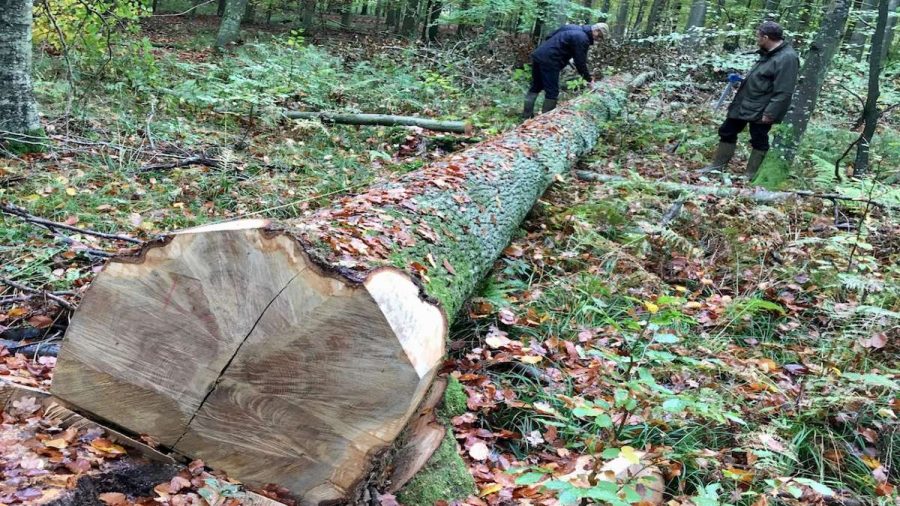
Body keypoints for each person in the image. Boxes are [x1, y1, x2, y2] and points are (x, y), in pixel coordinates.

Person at [703, 21, 799, 178]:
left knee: (759, 139)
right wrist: (742, 80)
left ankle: (751, 175)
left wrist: (770, 113)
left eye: (758, 36)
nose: (757, 39)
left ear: (766, 37)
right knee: (727, 131)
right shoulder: (768, 53)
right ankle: (716, 168)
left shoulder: (787, 58)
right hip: (746, 103)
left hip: (763, 108)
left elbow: (784, 90)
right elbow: (763, 79)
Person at [522, 22, 610, 119]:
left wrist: (564, 54)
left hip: (539, 55)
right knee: (552, 92)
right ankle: (545, 122)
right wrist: (588, 80)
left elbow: (549, 37)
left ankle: (526, 116)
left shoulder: (571, 27)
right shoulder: (582, 38)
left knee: (536, 86)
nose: (598, 39)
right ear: (596, 31)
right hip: (550, 61)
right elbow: (580, 62)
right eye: (600, 36)